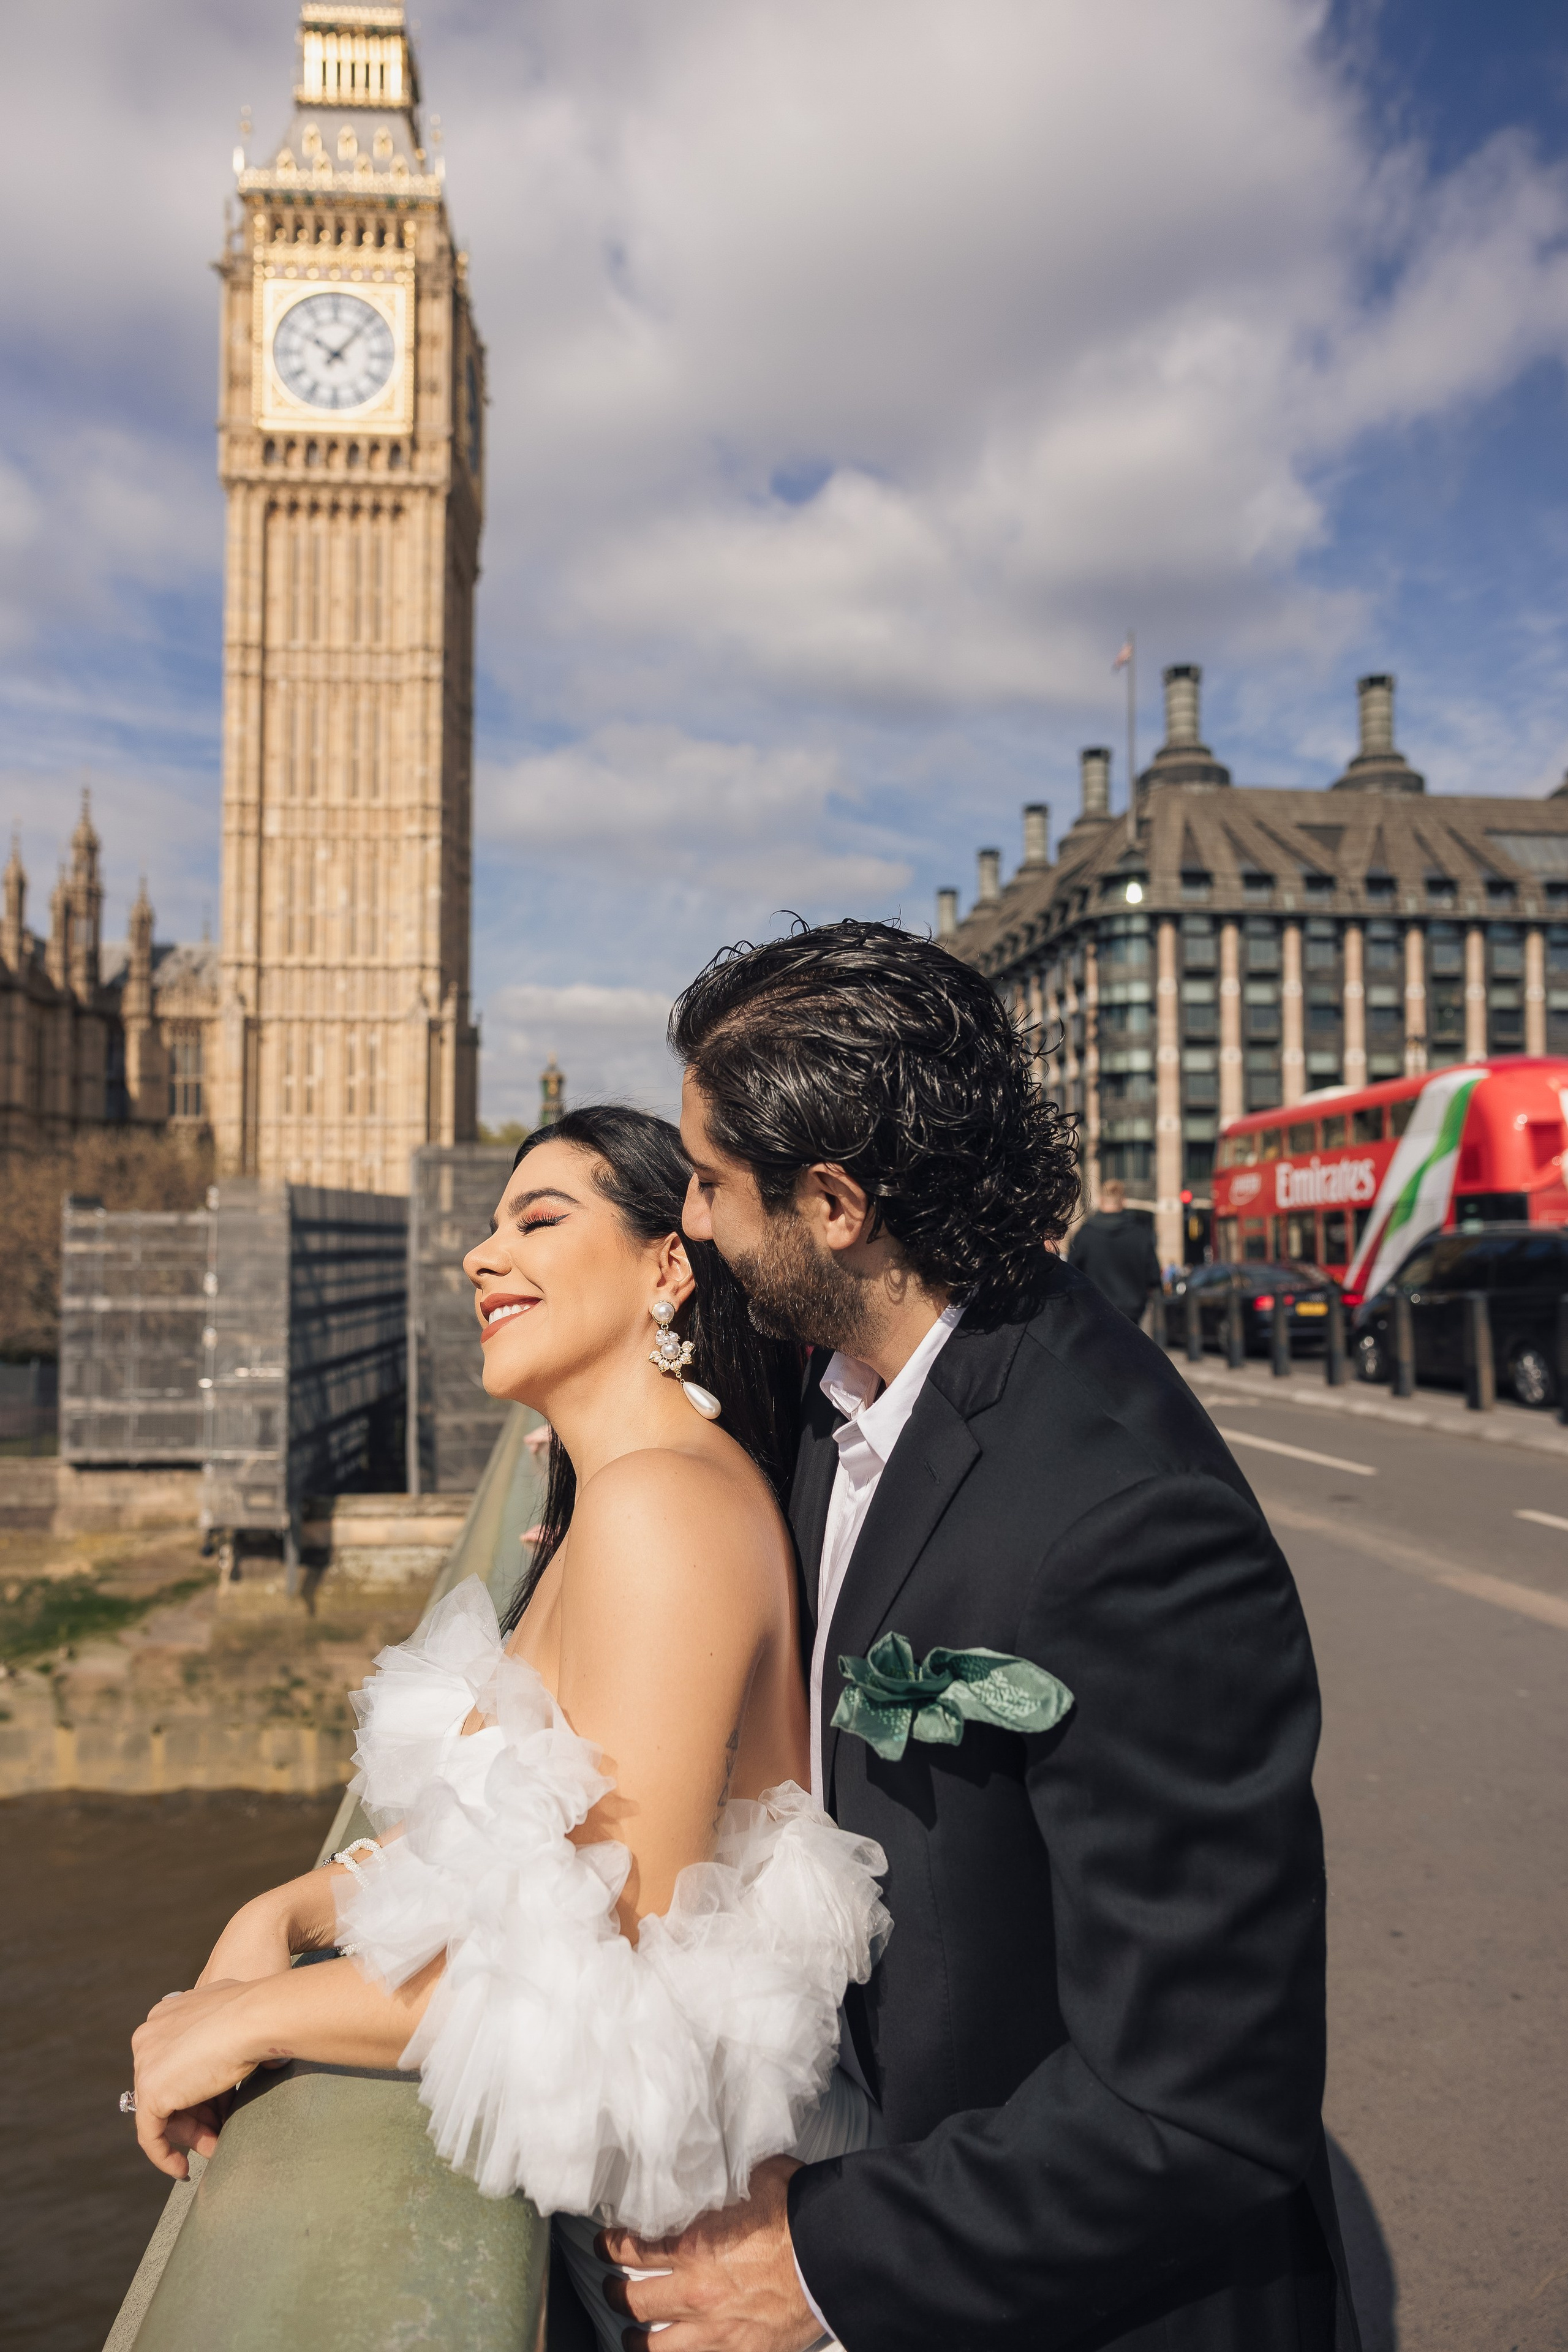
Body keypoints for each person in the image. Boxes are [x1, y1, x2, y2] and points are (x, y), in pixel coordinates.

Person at [594, 919, 1359, 2351]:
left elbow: (1195, 2098)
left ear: (832, 1203)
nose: (687, 1224)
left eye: (703, 1182)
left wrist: (813, 2262)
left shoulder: (1126, 1525)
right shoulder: (851, 1368)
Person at [126, 1107, 891, 2352]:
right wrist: (287, 1912)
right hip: (636, 2248)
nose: (482, 1256)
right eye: (485, 1229)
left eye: (538, 1221)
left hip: (713, 2273)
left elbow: (603, 1975)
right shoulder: (625, 1499)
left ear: (665, 1266)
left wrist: (248, 2017)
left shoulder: (663, 1509)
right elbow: (525, 1848)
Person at [1068, 1175, 1164, 1322]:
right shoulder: (1141, 1234)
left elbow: (1071, 1271)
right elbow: (1154, 1277)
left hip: (1094, 1309)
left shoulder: (1086, 1234)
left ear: (1101, 1201)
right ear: (1124, 1201)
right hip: (1132, 1313)